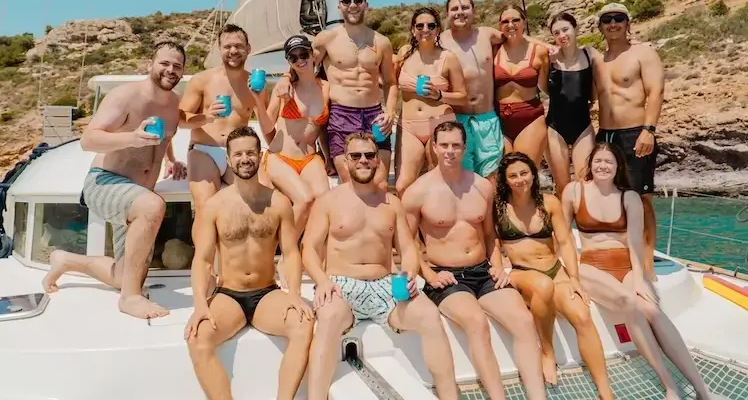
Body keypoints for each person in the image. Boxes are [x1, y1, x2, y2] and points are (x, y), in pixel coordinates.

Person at [302, 132, 459, 400]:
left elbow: (408, 249)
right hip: (341, 285)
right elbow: (309, 249)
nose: (363, 160)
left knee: (429, 316)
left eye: (369, 155)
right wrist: (322, 280)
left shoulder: (392, 204)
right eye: (356, 156)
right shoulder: (328, 201)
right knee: (328, 320)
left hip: (386, 286)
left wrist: (409, 273)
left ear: (377, 161)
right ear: (345, 161)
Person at [42, 42, 187, 319]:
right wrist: (133, 138)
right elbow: (89, 139)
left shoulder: (173, 104)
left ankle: (67, 260)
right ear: (150, 64)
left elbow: (166, 135)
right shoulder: (126, 96)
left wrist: (171, 159)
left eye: (177, 66)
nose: (170, 69)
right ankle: (129, 299)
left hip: (137, 195)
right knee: (152, 206)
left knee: (124, 275)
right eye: (164, 63)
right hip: (106, 183)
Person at [402, 122, 546, 400]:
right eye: (443, 145)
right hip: (447, 276)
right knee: (476, 322)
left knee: (524, 321)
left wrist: (497, 264)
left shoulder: (481, 186)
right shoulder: (417, 192)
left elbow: (490, 234)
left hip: (483, 271)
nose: (449, 151)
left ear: (465, 148)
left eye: (456, 145)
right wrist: (429, 275)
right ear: (433, 147)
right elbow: (407, 243)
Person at [562, 142, 712, 400]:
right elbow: (563, 236)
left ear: (618, 166)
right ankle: (670, 385)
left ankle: (702, 390)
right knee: (628, 301)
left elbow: (634, 242)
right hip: (591, 265)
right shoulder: (574, 191)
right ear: (590, 164)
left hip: (625, 263)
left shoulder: (629, 197)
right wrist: (569, 273)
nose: (603, 166)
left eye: (609, 161)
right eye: (598, 161)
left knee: (653, 310)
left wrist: (640, 277)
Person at [184, 127, 314, 400]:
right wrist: (199, 304)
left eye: (251, 153)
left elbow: (290, 253)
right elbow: (203, 259)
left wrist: (294, 295)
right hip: (228, 294)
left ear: (260, 156)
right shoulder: (215, 206)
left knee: (303, 326)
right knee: (197, 338)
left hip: (267, 292)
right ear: (229, 160)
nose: (245, 159)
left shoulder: (278, 203)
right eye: (239, 154)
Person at [494, 152, 612, 398]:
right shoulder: (499, 208)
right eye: (513, 175)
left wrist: (574, 278)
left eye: (524, 173)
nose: (519, 180)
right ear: (505, 180)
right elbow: (491, 243)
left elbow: (566, 243)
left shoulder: (549, 203)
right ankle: (547, 352)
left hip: (555, 270)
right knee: (542, 285)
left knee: (582, 315)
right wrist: (496, 267)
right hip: (521, 273)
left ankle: (605, 391)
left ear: (533, 174)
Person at [274, 0, 398, 189]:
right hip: (342, 115)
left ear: (366, 4)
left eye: (358, 0)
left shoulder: (382, 42)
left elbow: (391, 83)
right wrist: (285, 78)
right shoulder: (326, 39)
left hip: (375, 115)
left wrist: (391, 111)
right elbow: (301, 63)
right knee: (350, 185)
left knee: (381, 185)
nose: (353, 5)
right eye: (346, 1)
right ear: (339, 7)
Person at [592, 3, 664, 280]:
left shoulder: (642, 52)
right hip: (605, 136)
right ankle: (620, 254)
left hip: (635, 133)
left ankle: (647, 264)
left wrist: (649, 130)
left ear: (627, 22)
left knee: (641, 199)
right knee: (611, 199)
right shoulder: (599, 60)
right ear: (600, 26)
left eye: (618, 18)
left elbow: (656, 91)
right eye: (607, 19)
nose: (613, 23)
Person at [253, 35, 331, 287]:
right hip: (280, 156)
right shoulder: (284, 88)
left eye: (303, 54)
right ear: (288, 61)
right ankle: (286, 256)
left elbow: (323, 130)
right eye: (293, 57)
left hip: (309, 158)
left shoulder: (326, 88)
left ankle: (311, 254)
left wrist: (328, 158)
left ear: (313, 55)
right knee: (305, 199)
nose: (300, 60)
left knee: (324, 201)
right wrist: (258, 98)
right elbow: (267, 125)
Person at [179, 23, 269, 215]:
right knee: (206, 207)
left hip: (239, 152)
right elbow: (180, 119)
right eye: (227, 47)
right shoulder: (202, 80)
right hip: (204, 151)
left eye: (238, 46)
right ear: (220, 49)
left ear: (248, 49)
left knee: (263, 201)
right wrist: (207, 117)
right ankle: (206, 246)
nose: (233, 51)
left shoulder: (255, 83)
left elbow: (268, 122)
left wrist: (260, 99)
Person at [394, 7, 467, 196]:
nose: (425, 29)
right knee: (402, 186)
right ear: (412, 30)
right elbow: (390, 83)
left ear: (437, 30)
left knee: (439, 185)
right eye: (420, 25)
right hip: (409, 126)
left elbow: (463, 97)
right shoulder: (404, 54)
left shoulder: (448, 58)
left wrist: (439, 96)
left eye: (431, 25)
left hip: (439, 124)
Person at [440, 0, 506, 185]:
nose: (460, 12)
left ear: (474, 11)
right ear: (447, 14)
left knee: (492, 180)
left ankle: (490, 216)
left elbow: (518, 37)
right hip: (457, 120)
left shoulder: (486, 34)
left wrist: (549, 47)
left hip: (487, 118)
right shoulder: (440, 40)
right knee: (461, 181)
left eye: (465, 7)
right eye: (455, 8)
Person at [544, 12, 597, 197]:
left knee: (584, 184)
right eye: (556, 33)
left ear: (576, 29)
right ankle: (562, 226)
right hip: (554, 128)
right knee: (563, 186)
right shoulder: (548, 59)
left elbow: (612, 63)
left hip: (583, 127)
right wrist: (550, 61)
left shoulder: (590, 54)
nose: (562, 35)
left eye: (565, 29)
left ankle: (583, 225)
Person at [494, 5, 550, 167]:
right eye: (505, 21)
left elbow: (546, 88)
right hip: (498, 120)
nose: (510, 25)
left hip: (530, 118)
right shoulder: (493, 49)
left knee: (524, 171)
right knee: (503, 177)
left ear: (524, 22)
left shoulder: (539, 52)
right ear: (499, 26)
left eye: (515, 20)